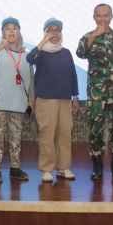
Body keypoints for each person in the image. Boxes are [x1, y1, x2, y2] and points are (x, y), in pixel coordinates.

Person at [76, 4, 113, 181]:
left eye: (106, 15)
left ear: (111, 17)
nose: (102, 19)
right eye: (99, 16)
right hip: (96, 94)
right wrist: (94, 36)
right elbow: (80, 53)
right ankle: (97, 167)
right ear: (94, 17)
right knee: (95, 130)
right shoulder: (87, 37)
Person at [0, 17, 32, 183]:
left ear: (19, 31)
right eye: (7, 28)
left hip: (18, 103)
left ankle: (15, 168)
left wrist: (32, 100)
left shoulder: (26, 54)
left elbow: (31, 79)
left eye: (14, 28)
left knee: (16, 138)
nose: (11, 32)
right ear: (2, 32)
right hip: (0, 103)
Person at [27, 18, 78, 183]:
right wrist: (43, 41)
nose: (55, 33)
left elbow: (72, 75)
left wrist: (75, 96)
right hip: (45, 99)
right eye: (51, 30)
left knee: (65, 133)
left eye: (57, 30)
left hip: (65, 99)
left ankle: (63, 167)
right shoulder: (40, 52)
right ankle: (47, 169)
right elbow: (29, 58)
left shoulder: (66, 52)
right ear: (45, 32)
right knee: (47, 134)